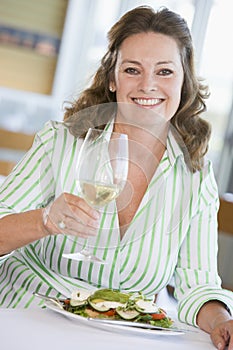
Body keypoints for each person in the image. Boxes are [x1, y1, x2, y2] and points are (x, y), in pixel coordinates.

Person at [0, 5, 232, 349]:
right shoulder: (60, 142)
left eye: (165, 71)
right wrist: (45, 221)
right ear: (113, 79)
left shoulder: (196, 176)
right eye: (132, 70)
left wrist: (223, 321)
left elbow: (197, 284)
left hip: (117, 338)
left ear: (184, 83)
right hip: (25, 315)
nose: (147, 85)